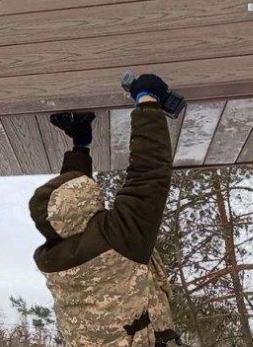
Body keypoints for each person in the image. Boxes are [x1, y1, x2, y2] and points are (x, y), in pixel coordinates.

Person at [28, 74, 181, 347]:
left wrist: (147, 99)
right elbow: (146, 176)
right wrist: (146, 101)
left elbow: (147, 176)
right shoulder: (67, 261)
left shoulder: (105, 246)